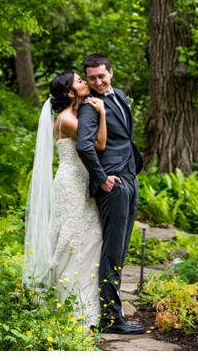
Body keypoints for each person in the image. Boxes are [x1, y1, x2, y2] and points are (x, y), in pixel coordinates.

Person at [23, 71, 107, 328]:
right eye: (80, 81)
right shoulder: (68, 119)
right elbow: (99, 144)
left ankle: (83, 305)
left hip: (76, 180)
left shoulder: (72, 115)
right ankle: (72, 308)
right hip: (71, 183)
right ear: (70, 93)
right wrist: (102, 113)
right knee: (72, 240)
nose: (85, 83)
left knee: (86, 238)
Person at [76, 53, 145, 334]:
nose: (97, 82)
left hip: (129, 176)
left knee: (122, 246)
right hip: (113, 185)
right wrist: (102, 178)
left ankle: (114, 312)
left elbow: (123, 137)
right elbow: (84, 146)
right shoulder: (91, 107)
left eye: (101, 76)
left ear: (111, 73)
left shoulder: (121, 96)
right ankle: (111, 317)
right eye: (91, 78)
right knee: (112, 251)